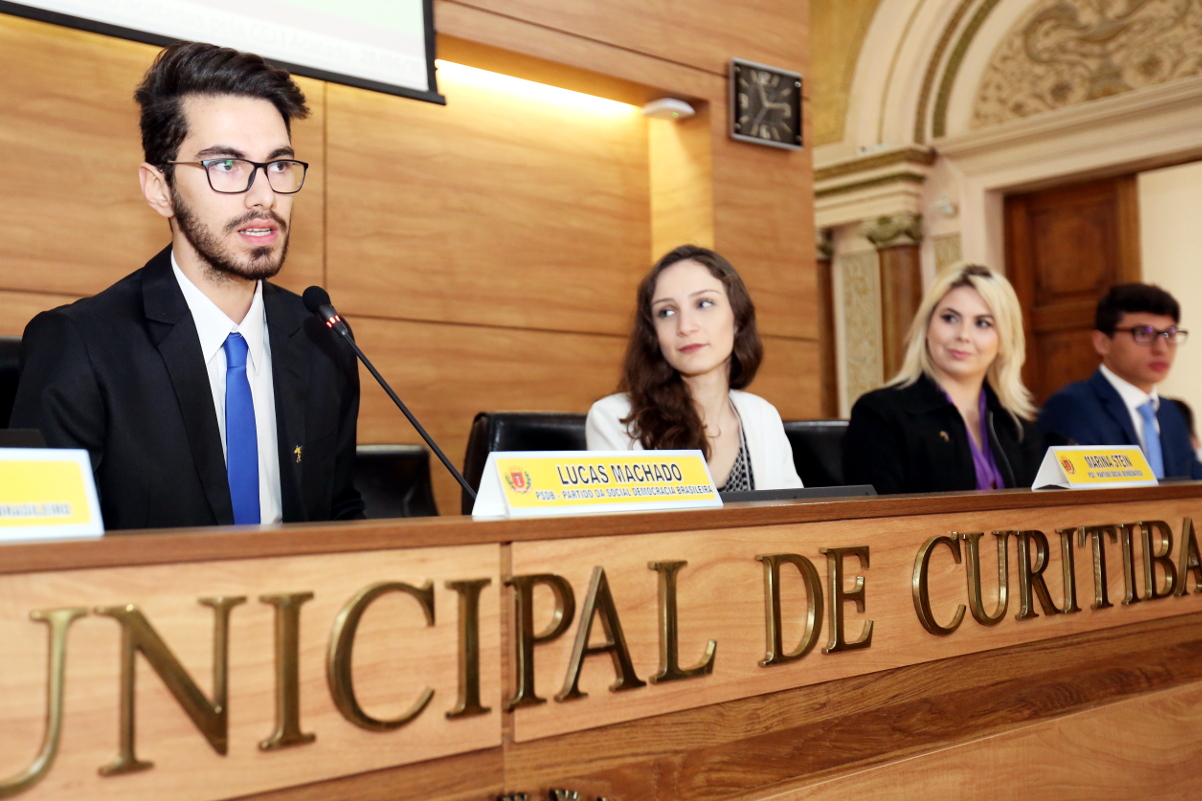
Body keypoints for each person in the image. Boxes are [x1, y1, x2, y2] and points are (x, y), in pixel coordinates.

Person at [11, 42, 364, 530]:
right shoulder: (83, 345)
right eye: (226, 165)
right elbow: (41, 547)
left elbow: (339, 512)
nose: (264, 196)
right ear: (160, 189)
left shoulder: (323, 339)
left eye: (279, 165)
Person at [586, 245, 802, 490]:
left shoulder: (763, 416)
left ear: (737, 320)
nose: (685, 326)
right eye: (666, 312)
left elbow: (792, 522)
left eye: (704, 303)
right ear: (654, 334)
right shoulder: (614, 419)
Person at [842, 263, 1042, 494]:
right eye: (949, 318)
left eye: (982, 323)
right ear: (926, 327)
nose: (963, 335)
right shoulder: (879, 414)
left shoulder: (1016, 428)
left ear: (1004, 341)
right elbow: (872, 521)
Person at [1037, 284, 1202, 479]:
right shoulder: (1072, 407)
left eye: (1169, 334)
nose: (1162, 348)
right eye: (1143, 333)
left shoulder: (1171, 413)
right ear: (1102, 342)